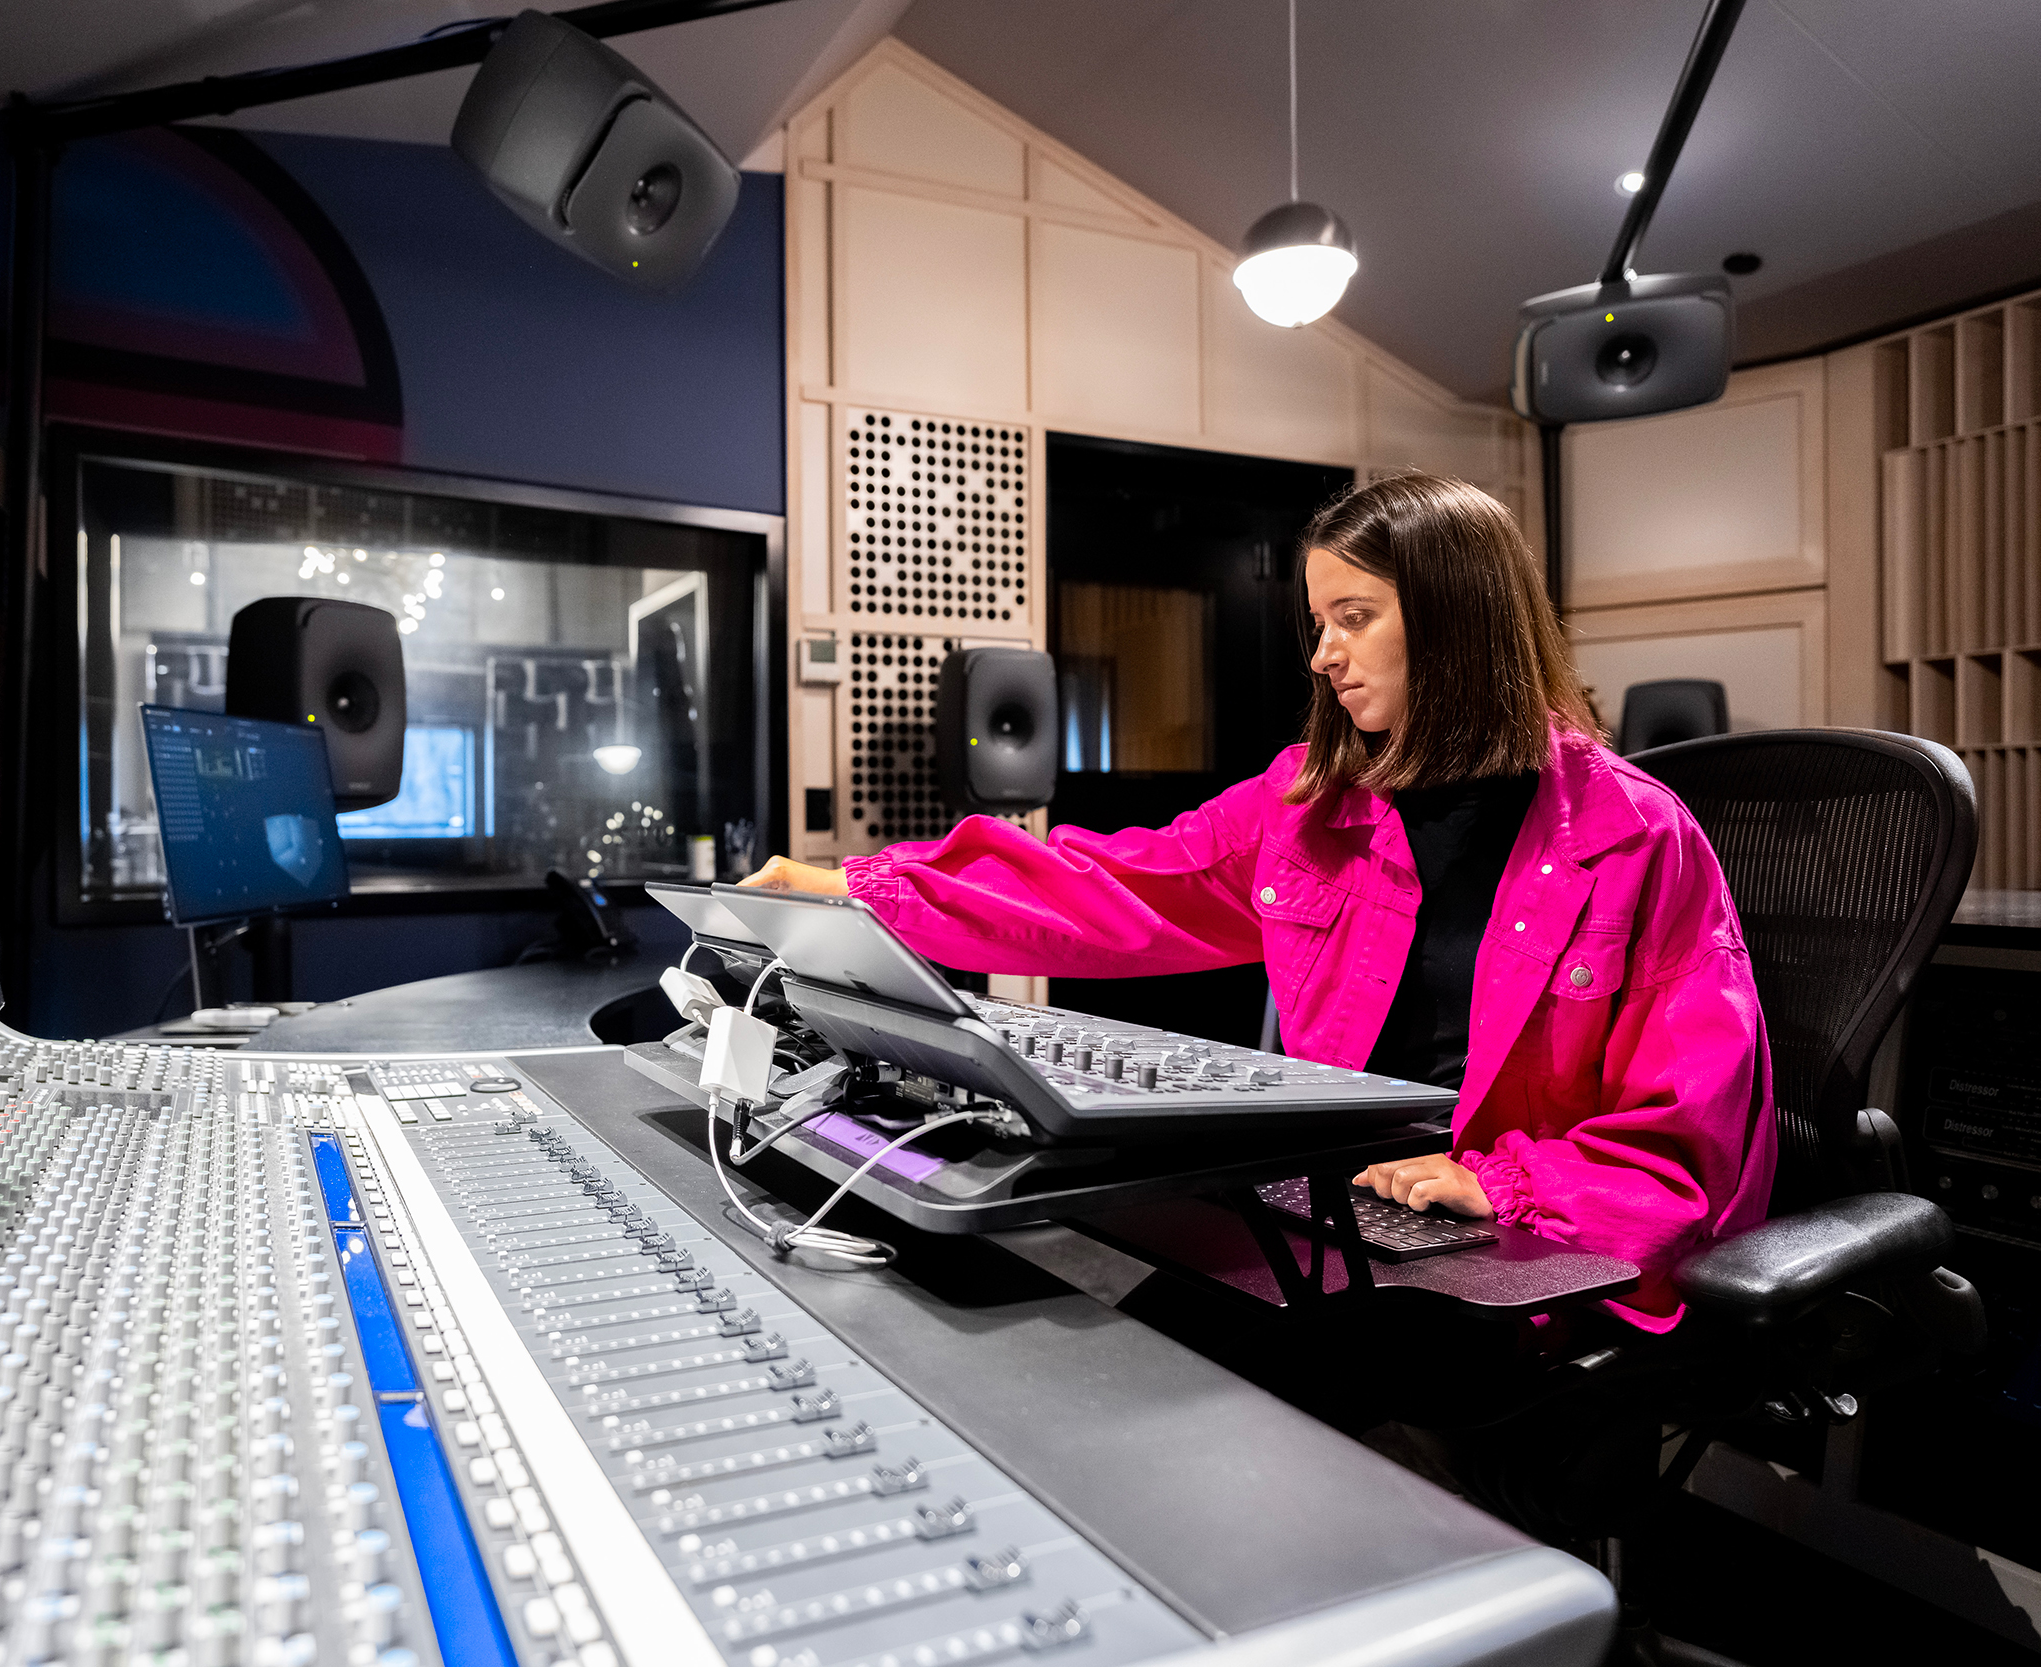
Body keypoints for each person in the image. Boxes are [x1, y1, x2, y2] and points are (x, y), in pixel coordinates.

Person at [745, 470, 1775, 1331]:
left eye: (1354, 618)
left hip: (1517, 1249)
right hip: (1343, 1207)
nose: (1323, 654)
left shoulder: (1635, 835)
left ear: (1459, 621)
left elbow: (1689, 1140)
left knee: (1211, 1400)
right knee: (1118, 1347)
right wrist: (859, 887)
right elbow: (1106, 881)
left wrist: (1502, 1183)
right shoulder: (1306, 807)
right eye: (1320, 621)